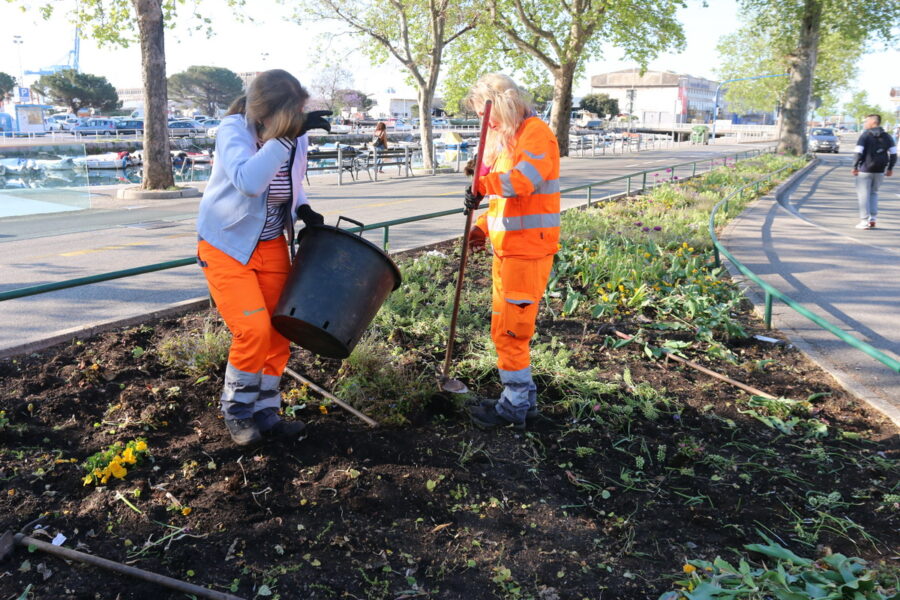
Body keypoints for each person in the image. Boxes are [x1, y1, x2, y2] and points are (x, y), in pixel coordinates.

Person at [196, 69, 331, 446]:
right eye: (292, 115)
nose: (297, 122)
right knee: (252, 331)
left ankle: (266, 410)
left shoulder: (292, 140)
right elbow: (250, 182)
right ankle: (237, 410)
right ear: (263, 111)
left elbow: (289, 182)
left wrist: (303, 210)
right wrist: (286, 139)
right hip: (227, 245)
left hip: (271, 243)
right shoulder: (234, 131)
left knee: (279, 330)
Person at [462, 73, 561, 430]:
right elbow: (509, 208)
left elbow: (522, 183)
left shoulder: (536, 134)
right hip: (510, 253)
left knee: (511, 333)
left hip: (527, 255)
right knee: (505, 327)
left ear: (500, 107)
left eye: (488, 118)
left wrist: (481, 184)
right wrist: (481, 228)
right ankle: (523, 400)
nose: (486, 126)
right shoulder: (513, 137)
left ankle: (513, 408)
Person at [852, 113, 896, 229]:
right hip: (880, 169)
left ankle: (864, 221)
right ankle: (873, 219)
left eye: (866, 121)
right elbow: (893, 154)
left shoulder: (865, 136)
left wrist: (854, 167)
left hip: (865, 169)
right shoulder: (887, 136)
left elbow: (858, 152)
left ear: (873, 122)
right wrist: (890, 168)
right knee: (874, 193)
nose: (865, 123)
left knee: (863, 195)